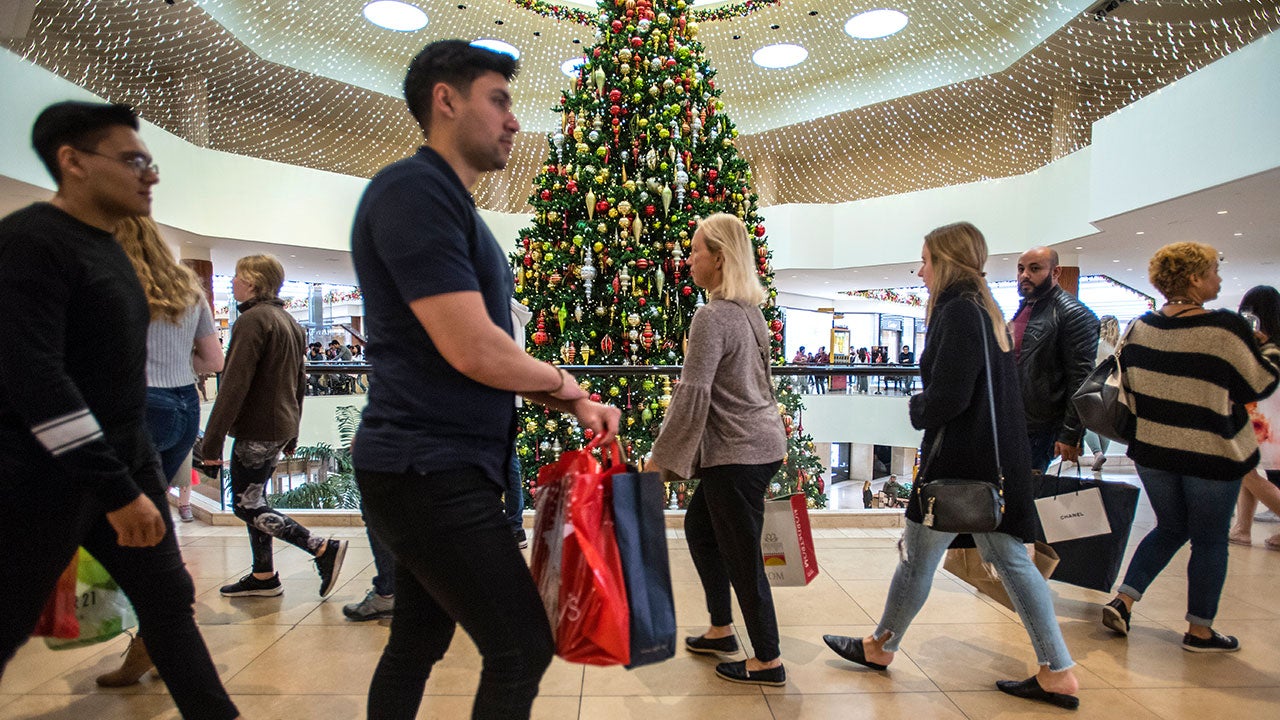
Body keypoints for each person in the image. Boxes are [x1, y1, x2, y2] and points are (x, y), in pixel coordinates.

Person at [349, 40, 620, 720]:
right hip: (427, 471)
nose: (513, 121)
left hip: (436, 467)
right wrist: (571, 388)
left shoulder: (450, 204)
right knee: (520, 647)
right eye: (498, 100)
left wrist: (570, 400)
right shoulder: (413, 191)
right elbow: (474, 349)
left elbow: (482, 351)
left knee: (417, 638)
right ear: (446, 100)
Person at [0, 100, 241, 720]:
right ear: (73, 162)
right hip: (39, 482)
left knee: (168, 605)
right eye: (133, 159)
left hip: (119, 469)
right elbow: (36, 379)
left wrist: (134, 481)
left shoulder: (110, 251)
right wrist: (117, 489)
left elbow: (112, 387)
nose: (150, 174)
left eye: (149, 161)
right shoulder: (29, 243)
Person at [823, 221, 1080, 710]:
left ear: (945, 262)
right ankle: (1055, 668)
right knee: (999, 562)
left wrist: (918, 407)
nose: (919, 272)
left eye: (924, 260)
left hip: (960, 467)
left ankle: (882, 647)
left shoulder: (957, 311)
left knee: (930, 558)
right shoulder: (985, 308)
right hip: (990, 465)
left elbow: (951, 395)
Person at [1100, 244, 1279, 652]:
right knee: (1210, 539)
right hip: (1210, 454)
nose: (1218, 278)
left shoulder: (1140, 328)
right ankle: (1200, 630)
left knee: (1170, 526)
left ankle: (1123, 600)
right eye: (1214, 271)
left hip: (1153, 451)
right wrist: (1270, 347)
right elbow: (1260, 382)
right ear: (1195, 279)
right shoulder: (1224, 329)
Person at [645, 213, 788, 687]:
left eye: (695, 252)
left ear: (720, 259)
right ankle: (721, 629)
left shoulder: (711, 317)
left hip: (738, 455)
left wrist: (659, 461)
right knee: (701, 529)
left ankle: (767, 659)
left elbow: (692, 395)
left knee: (742, 556)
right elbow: (760, 384)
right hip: (757, 445)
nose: (687, 261)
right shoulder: (750, 312)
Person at [94, 216, 226, 687]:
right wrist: (174, 363)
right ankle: (157, 635)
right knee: (150, 520)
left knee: (119, 526)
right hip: (183, 406)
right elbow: (213, 360)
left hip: (133, 408)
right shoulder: (189, 288)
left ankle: (156, 631)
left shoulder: (111, 283)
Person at [202, 254, 348, 600]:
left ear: (252, 282)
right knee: (256, 499)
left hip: (257, 427)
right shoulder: (289, 321)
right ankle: (263, 574)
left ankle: (320, 548)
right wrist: (293, 430)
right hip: (279, 424)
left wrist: (211, 443)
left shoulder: (252, 321)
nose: (232, 283)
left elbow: (234, 385)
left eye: (237, 277)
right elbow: (300, 381)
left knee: (244, 505)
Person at [1010, 247, 1099, 473]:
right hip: (1014, 421)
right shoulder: (1027, 308)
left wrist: (1071, 434)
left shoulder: (1074, 314)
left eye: (1034, 268)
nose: (1024, 275)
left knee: (1025, 494)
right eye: (1021, 269)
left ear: (1056, 272)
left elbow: (1081, 381)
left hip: (1042, 427)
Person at [1230, 286, 1280, 548]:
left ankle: (1242, 528)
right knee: (1246, 471)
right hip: (1270, 417)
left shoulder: (1259, 345)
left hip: (1259, 416)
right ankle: (1242, 528)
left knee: (1245, 471)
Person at [1083, 315, 1120, 472]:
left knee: (1085, 421)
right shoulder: (1117, 348)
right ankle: (1101, 455)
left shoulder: (1096, 344)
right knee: (1105, 425)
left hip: (1093, 387)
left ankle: (1097, 454)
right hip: (1111, 390)